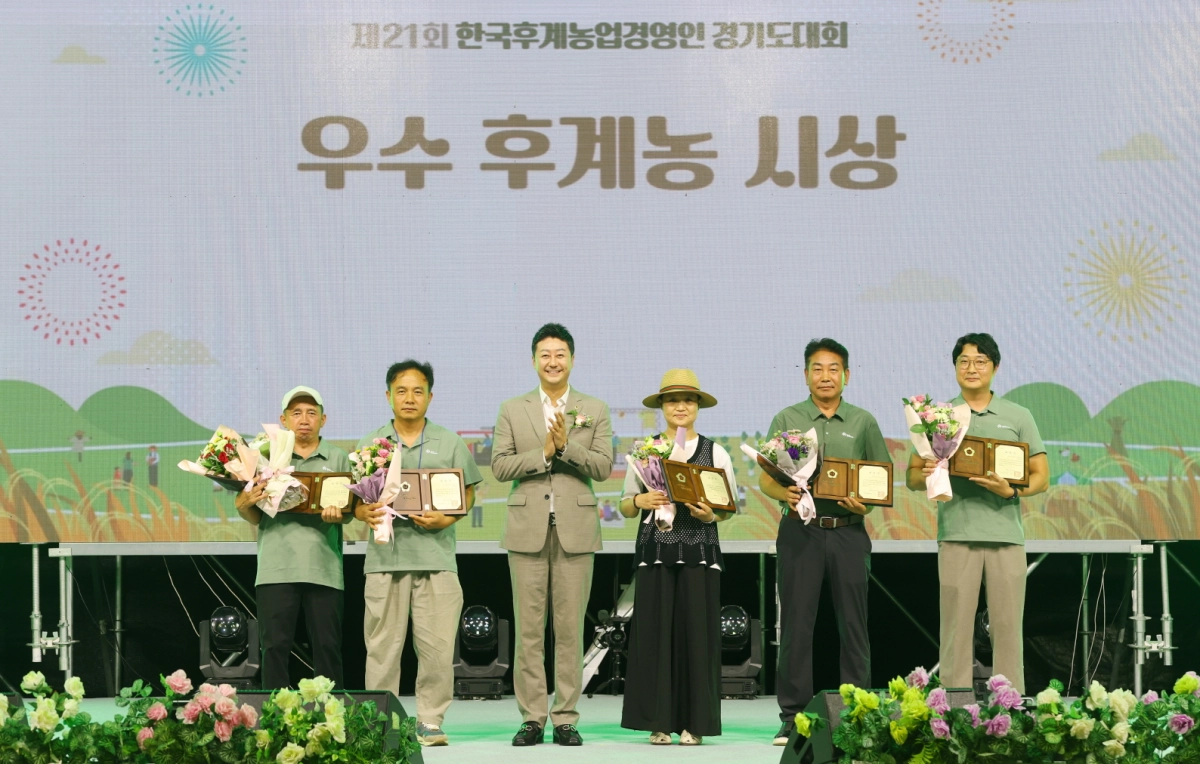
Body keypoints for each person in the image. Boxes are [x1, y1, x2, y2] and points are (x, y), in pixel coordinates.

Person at [761, 338, 890, 746]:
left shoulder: (864, 421)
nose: (825, 376)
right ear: (805, 375)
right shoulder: (788, 418)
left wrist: (865, 504)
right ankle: (792, 715)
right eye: (817, 368)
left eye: (834, 368)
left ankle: (857, 710)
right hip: (800, 533)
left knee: (854, 626)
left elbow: (880, 477)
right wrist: (781, 493)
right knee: (797, 624)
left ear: (846, 376)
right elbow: (766, 474)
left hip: (848, 531)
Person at [491, 323, 613, 747]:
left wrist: (565, 449)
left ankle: (564, 717)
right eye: (545, 354)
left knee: (569, 631)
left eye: (560, 354)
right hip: (526, 530)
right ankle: (531, 718)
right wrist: (542, 452)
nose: (553, 361)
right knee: (528, 631)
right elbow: (500, 466)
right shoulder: (512, 408)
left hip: (576, 531)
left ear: (572, 360)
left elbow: (602, 466)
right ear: (533, 361)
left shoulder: (593, 408)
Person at [905, 333, 1048, 693]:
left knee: (1007, 627)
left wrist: (1010, 490)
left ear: (995, 367)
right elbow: (910, 477)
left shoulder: (1018, 415)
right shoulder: (938, 418)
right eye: (964, 361)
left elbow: (1041, 478)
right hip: (957, 535)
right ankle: (953, 708)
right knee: (955, 629)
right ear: (955, 367)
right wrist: (925, 474)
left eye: (980, 361)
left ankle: (1007, 708)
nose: (972, 368)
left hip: (1005, 537)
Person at [354, 360, 482, 747]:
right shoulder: (372, 443)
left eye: (418, 391)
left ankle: (429, 720)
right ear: (388, 395)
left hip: (436, 560)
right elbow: (354, 503)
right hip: (385, 560)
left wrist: (447, 518)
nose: (409, 398)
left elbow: (468, 492)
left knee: (438, 649)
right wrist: (365, 511)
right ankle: (381, 722)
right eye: (401, 391)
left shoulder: (450, 442)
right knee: (381, 649)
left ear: (430, 396)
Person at [619, 369, 737, 746]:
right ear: (662, 407)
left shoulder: (715, 451)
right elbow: (624, 505)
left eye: (688, 400)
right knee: (654, 637)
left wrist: (711, 514)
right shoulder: (644, 450)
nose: (680, 406)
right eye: (672, 400)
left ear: (698, 406)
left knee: (697, 638)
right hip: (655, 552)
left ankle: (695, 723)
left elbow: (728, 507)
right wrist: (640, 500)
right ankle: (658, 721)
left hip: (699, 552)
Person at [235, 386, 351, 690]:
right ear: (283, 419)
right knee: (273, 649)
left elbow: (351, 510)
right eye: (296, 413)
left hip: (323, 569)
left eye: (311, 413)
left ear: (323, 420)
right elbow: (254, 513)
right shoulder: (264, 458)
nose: (304, 419)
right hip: (276, 568)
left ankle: (330, 722)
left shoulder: (339, 458)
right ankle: (275, 720)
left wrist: (339, 512)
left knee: (327, 649)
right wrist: (244, 505)